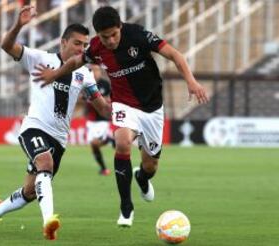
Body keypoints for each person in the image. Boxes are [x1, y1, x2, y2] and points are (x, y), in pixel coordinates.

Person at [33, 6, 209, 227]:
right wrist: (55, 74)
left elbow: (175, 55)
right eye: (105, 37)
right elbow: (76, 62)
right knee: (123, 143)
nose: (110, 41)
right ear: (98, 35)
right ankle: (126, 206)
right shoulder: (97, 47)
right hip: (124, 104)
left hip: (152, 107)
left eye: (114, 34)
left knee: (150, 166)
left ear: (120, 27)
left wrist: (191, 81)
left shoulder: (138, 34)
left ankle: (142, 178)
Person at [0, 6, 110, 240]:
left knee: (30, 192)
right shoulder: (40, 59)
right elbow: (6, 46)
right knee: (45, 162)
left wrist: (126, 110)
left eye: (84, 45)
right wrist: (18, 25)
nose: (81, 49)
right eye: (77, 43)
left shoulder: (86, 74)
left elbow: (102, 107)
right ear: (63, 42)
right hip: (34, 128)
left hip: (59, 139)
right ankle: (49, 221)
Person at [85, 65, 114, 176]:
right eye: (92, 70)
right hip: (91, 120)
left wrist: (103, 100)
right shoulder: (86, 83)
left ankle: (109, 140)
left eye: (96, 70)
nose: (94, 72)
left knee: (95, 143)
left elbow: (110, 99)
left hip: (102, 119)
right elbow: (82, 100)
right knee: (93, 146)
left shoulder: (104, 84)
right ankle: (103, 169)